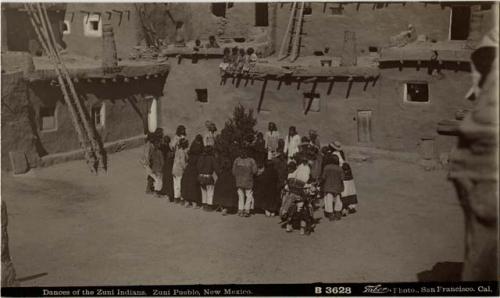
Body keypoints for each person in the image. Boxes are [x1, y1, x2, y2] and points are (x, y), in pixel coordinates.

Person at [232, 148, 258, 217]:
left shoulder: (237, 160)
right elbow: (255, 171)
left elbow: (233, 172)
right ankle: (247, 210)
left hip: (239, 181)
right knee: (249, 195)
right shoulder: (251, 160)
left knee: (240, 196)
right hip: (248, 181)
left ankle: (240, 210)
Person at [182, 135, 203, 208]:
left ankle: (187, 201)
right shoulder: (200, 149)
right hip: (195, 169)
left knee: (187, 184)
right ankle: (194, 202)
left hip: (189, 168)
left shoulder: (192, 147)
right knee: (194, 185)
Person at [321, 154, 345, 221]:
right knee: (338, 199)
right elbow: (342, 178)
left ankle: (330, 213)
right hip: (337, 186)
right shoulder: (340, 169)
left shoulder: (326, 167)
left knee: (328, 199)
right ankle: (337, 213)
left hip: (328, 186)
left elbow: (323, 177)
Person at [197, 145, 217, 211]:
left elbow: (197, 167)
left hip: (200, 177)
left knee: (203, 191)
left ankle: (204, 204)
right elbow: (216, 168)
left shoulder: (200, 157)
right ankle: (209, 205)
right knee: (210, 191)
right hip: (208, 177)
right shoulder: (211, 158)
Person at [172, 138, 189, 203]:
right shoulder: (182, 152)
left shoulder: (178, 151)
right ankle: (182, 199)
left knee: (176, 185)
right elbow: (182, 162)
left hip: (174, 169)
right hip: (180, 170)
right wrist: (186, 168)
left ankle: (176, 198)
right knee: (180, 184)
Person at [160, 135, 175, 201]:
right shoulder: (167, 148)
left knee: (164, 180)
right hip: (167, 165)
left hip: (164, 165)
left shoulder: (162, 147)